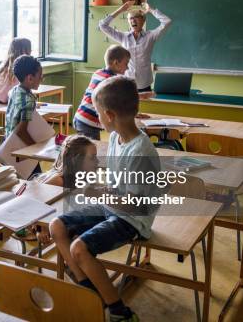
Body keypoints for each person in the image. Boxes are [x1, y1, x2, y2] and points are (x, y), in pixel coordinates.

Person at [49, 76, 161, 322]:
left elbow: (134, 204)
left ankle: (120, 311)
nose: (96, 118)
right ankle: (90, 290)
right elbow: (114, 184)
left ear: (109, 115)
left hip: (133, 219)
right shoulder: (114, 138)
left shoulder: (141, 151)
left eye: (98, 113)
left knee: (79, 248)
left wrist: (100, 192)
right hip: (111, 206)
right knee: (56, 226)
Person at [35, 135, 98, 245]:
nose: (97, 161)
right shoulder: (59, 181)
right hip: (42, 222)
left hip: (62, 219)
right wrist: (41, 229)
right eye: (92, 157)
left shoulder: (85, 177)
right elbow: (36, 203)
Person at [99, 0, 172, 92]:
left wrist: (151, 10)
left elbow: (167, 22)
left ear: (143, 20)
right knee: (124, 106)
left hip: (144, 83)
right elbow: (102, 25)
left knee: (144, 106)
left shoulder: (150, 36)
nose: (133, 20)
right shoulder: (123, 37)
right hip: (126, 82)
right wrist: (121, 10)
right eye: (130, 18)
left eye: (136, 17)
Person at [4, 55, 43, 145]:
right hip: (18, 147)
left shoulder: (13, 90)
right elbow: (21, 132)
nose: (42, 79)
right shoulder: (29, 101)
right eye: (40, 76)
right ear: (30, 78)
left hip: (7, 141)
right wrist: (36, 147)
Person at [0, 38, 32, 103]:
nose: (31, 51)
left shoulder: (5, 65)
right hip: (7, 98)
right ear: (25, 51)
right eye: (30, 50)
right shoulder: (23, 68)